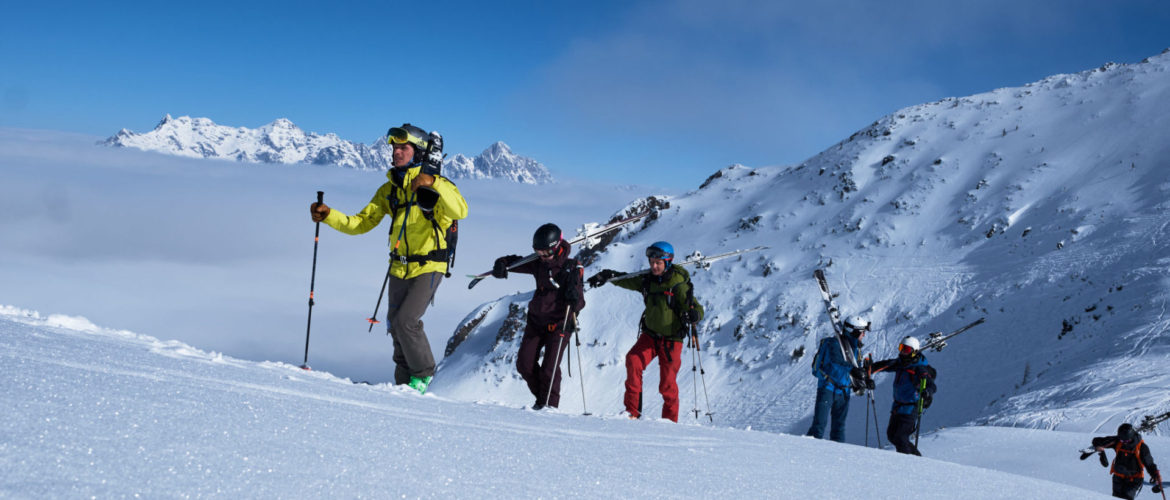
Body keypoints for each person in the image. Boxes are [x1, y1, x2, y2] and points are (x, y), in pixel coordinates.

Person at [309, 123, 468, 394]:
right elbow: (360, 223)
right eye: (394, 147)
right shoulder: (390, 189)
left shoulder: (437, 184)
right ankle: (404, 385)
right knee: (395, 325)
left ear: (418, 152)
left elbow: (460, 210)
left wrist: (434, 182)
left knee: (407, 321)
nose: (396, 152)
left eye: (403, 148)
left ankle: (425, 376)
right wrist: (329, 215)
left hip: (430, 265)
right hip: (399, 265)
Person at [587, 241, 703, 422]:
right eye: (651, 262)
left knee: (667, 384)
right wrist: (608, 276)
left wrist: (694, 314)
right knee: (633, 361)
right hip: (650, 336)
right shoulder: (647, 280)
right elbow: (627, 279)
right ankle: (632, 413)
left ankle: (670, 422)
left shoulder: (679, 285)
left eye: (658, 263)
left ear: (668, 262)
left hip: (672, 340)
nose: (654, 266)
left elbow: (696, 308)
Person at [491, 223, 585, 409]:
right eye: (538, 252)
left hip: (560, 323)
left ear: (556, 247)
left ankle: (548, 407)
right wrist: (502, 263)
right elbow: (516, 262)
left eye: (546, 253)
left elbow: (580, 302)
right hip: (536, 322)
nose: (542, 257)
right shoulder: (538, 263)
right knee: (524, 365)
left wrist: (573, 298)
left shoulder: (571, 267)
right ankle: (543, 400)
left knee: (549, 370)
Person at [806, 316, 870, 442]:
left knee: (839, 428)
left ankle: (838, 458)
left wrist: (865, 380)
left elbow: (857, 367)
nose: (864, 335)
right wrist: (852, 370)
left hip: (844, 391)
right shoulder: (834, 343)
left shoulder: (855, 349)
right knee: (819, 425)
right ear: (854, 331)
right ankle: (806, 452)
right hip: (828, 388)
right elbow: (836, 361)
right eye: (862, 332)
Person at [870, 336, 936, 455]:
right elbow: (886, 365)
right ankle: (916, 458)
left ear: (914, 352)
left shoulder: (919, 368)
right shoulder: (901, 363)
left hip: (911, 408)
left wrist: (927, 392)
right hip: (897, 407)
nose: (902, 352)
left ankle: (906, 462)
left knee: (900, 437)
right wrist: (870, 368)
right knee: (892, 435)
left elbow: (931, 384)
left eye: (906, 350)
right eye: (901, 348)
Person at [1091, 423, 1162, 499]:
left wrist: (1155, 475)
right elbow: (1097, 440)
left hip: (1134, 480)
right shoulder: (1118, 441)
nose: (1124, 442)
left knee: (1127, 498)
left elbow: (1149, 464)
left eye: (1126, 441)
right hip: (1118, 478)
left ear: (1132, 437)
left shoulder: (1142, 447)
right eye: (1122, 440)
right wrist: (1099, 446)